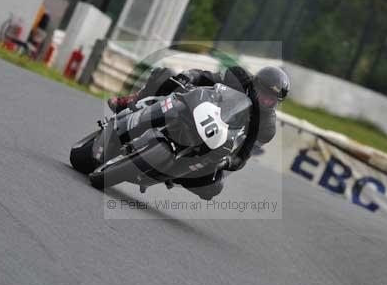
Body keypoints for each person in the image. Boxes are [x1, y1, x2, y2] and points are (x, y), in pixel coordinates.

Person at [107, 65, 290, 200]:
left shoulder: (266, 128)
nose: (265, 101)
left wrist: (228, 160)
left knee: (214, 187)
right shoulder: (238, 77)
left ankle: (173, 174)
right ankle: (131, 102)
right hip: (200, 109)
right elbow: (205, 76)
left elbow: (243, 154)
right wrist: (189, 77)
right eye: (263, 95)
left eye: (270, 101)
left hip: (217, 142)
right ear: (255, 83)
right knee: (168, 75)